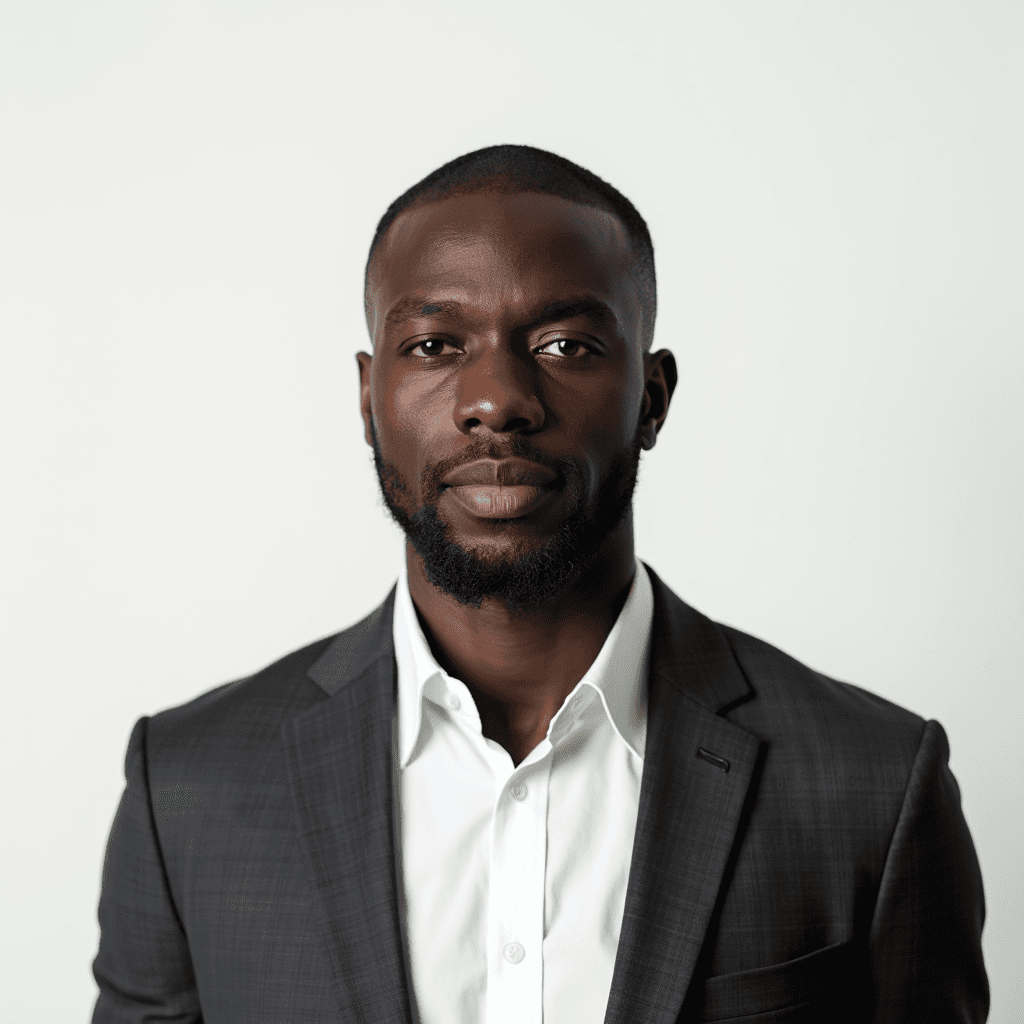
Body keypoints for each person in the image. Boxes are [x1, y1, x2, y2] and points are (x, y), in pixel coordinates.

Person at [91, 145, 988, 1024]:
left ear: (652, 397)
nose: (498, 399)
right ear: (370, 399)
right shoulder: (187, 791)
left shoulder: (873, 785)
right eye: (436, 344)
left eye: (565, 344)